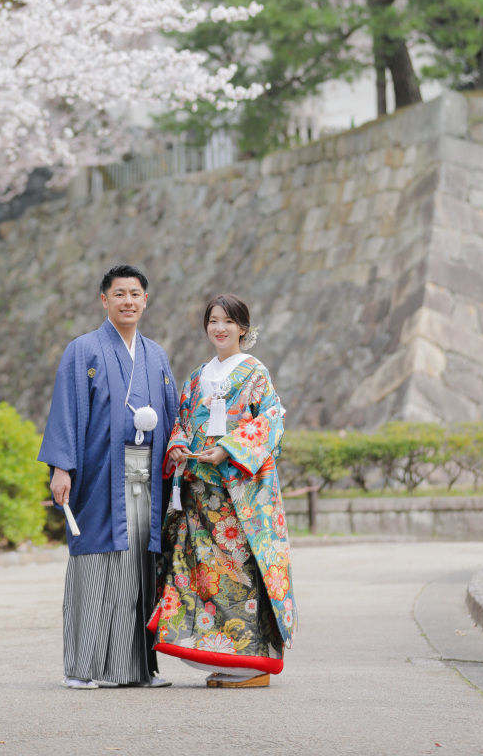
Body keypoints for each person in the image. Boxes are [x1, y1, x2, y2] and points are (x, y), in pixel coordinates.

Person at [39, 263, 179, 689]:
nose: (128, 302)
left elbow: (173, 415)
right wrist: (62, 467)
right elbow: (66, 409)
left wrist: (181, 461)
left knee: (140, 566)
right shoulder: (83, 350)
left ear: (145, 300)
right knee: (96, 564)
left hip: (147, 476)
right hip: (102, 476)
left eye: (135, 294)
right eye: (119, 294)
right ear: (104, 300)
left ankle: (133, 669)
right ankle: (84, 668)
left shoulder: (155, 355)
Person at [150, 293, 296, 688]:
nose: (220, 328)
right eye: (213, 320)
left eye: (229, 321)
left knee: (242, 576)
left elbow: (271, 425)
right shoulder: (198, 376)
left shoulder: (254, 373)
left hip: (238, 496)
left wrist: (228, 449)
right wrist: (177, 445)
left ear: (243, 328)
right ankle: (225, 658)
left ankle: (252, 664)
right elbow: (181, 420)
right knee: (209, 577)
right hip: (200, 494)